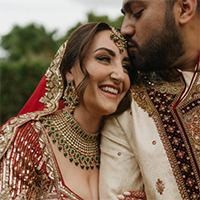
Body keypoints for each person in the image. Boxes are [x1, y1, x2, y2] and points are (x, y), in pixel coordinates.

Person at [0, 22, 134, 200]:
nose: (119, 75)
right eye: (104, 58)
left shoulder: (124, 145)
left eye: (126, 67)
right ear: (69, 70)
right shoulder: (29, 138)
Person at [99, 0, 200, 199]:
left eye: (137, 12)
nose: (124, 29)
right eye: (124, 15)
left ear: (184, 8)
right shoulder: (127, 99)